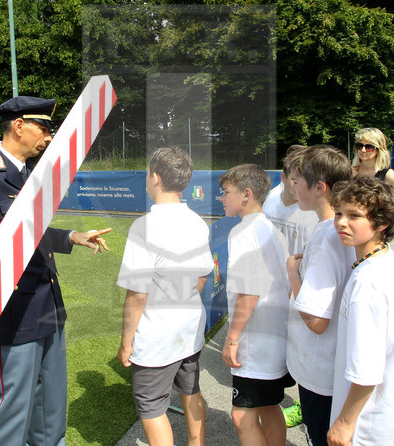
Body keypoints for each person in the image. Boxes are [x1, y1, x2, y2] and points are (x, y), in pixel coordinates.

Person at [0, 96, 110, 446]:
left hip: (48, 299)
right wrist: (0, 264)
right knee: (13, 405)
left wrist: (72, 237)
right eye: (44, 128)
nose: (49, 137)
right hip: (14, 307)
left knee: (51, 401)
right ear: (19, 126)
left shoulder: (31, 173)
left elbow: (30, 234)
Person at [116, 147, 214, 446]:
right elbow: (202, 276)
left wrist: (126, 341)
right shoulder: (197, 221)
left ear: (155, 177)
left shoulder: (144, 227)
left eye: (148, 173)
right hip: (190, 328)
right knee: (191, 390)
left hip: (157, 335)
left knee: (151, 406)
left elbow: (137, 295)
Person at [327, 177, 394, 446]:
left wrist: (344, 422)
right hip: (384, 406)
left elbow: (367, 367)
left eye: (354, 216)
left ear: (381, 223)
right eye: (339, 213)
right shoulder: (387, 258)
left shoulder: (369, 282)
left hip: (365, 421)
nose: (341, 222)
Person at [283, 145, 354, 445]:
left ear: (320, 187)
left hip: (320, 371)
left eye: (297, 182)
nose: (293, 188)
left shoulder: (328, 238)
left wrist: (293, 276)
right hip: (332, 365)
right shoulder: (342, 230)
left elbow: (317, 321)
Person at [219, 163, 292, 446]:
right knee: (269, 407)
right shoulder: (272, 230)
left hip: (256, 344)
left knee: (242, 417)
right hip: (274, 339)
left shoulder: (243, 232)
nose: (222, 198)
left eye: (226, 192)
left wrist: (232, 338)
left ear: (246, 194)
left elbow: (249, 291)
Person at [263, 144, 319, 255]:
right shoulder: (270, 201)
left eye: (305, 179)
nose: (300, 185)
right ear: (283, 178)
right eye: (295, 180)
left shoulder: (314, 211)